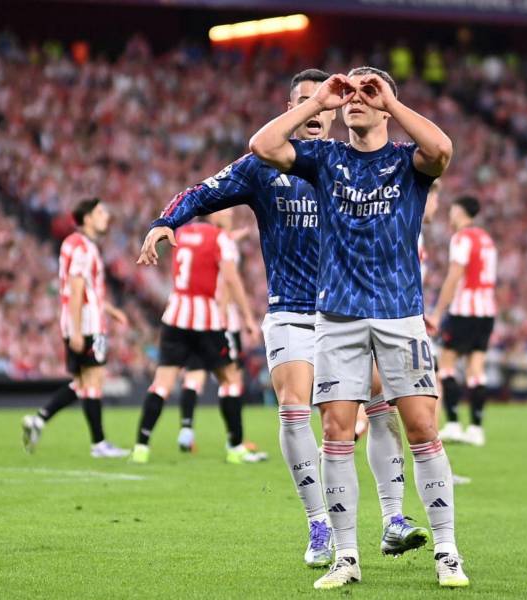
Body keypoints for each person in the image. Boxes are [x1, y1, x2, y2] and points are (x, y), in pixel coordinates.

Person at [139, 69, 427, 569]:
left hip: (354, 310)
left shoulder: (350, 165)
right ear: (296, 110)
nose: (315, 113)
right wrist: (167, 221)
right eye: (304, 103)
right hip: (292, 310)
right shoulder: (264, 167)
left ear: (340, 110)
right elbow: (204, 190)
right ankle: (319, 524)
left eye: (324, 103)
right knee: (295, 407)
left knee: (383, 405)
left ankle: (394, 519)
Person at [249, 67, 468, 589]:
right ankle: (346, 556)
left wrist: (390, 103)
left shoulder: (405, 162)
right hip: (338, 318)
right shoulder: (325, 160)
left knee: (421, 428)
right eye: (351, 94)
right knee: (334, 432)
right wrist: (318, 101)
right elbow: (262, 145)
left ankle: (447, 550)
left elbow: (442, 149)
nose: (357, 100)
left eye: (368, 92)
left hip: (399, 315)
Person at [130, 210, 264, 465]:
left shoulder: (183, 232)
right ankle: (235, 447)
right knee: (231, 380)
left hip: (175, 315)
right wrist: (247, 317)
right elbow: (231, 278)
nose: (231, 211)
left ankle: (140, 446)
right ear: (214, 213)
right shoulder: (219, 238)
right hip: (206, 318)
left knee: (162, 384)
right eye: (226, 208)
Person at [22, 198, 129, 458]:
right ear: (88, 218)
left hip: (81, 320)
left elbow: (86, 289)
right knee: (93, 381)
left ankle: (40, 420)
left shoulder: (74, 243)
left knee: (82, 383)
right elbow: (77, 287)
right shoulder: (83, 247)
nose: (107, 217)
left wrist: (111, 310)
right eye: (101, 212)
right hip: (88, 323)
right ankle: (99, 444)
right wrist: (79, 330)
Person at [427, 195, 497, 447]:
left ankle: (454, 423)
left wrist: (437, 311)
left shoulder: (462, 238)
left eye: (452, 210)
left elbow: (455, 276)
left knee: (446, 365)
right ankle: (476, 429)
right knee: (476, 370)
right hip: (487, 311)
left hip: (464, 310)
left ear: (458, 211)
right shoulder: (487, 239)